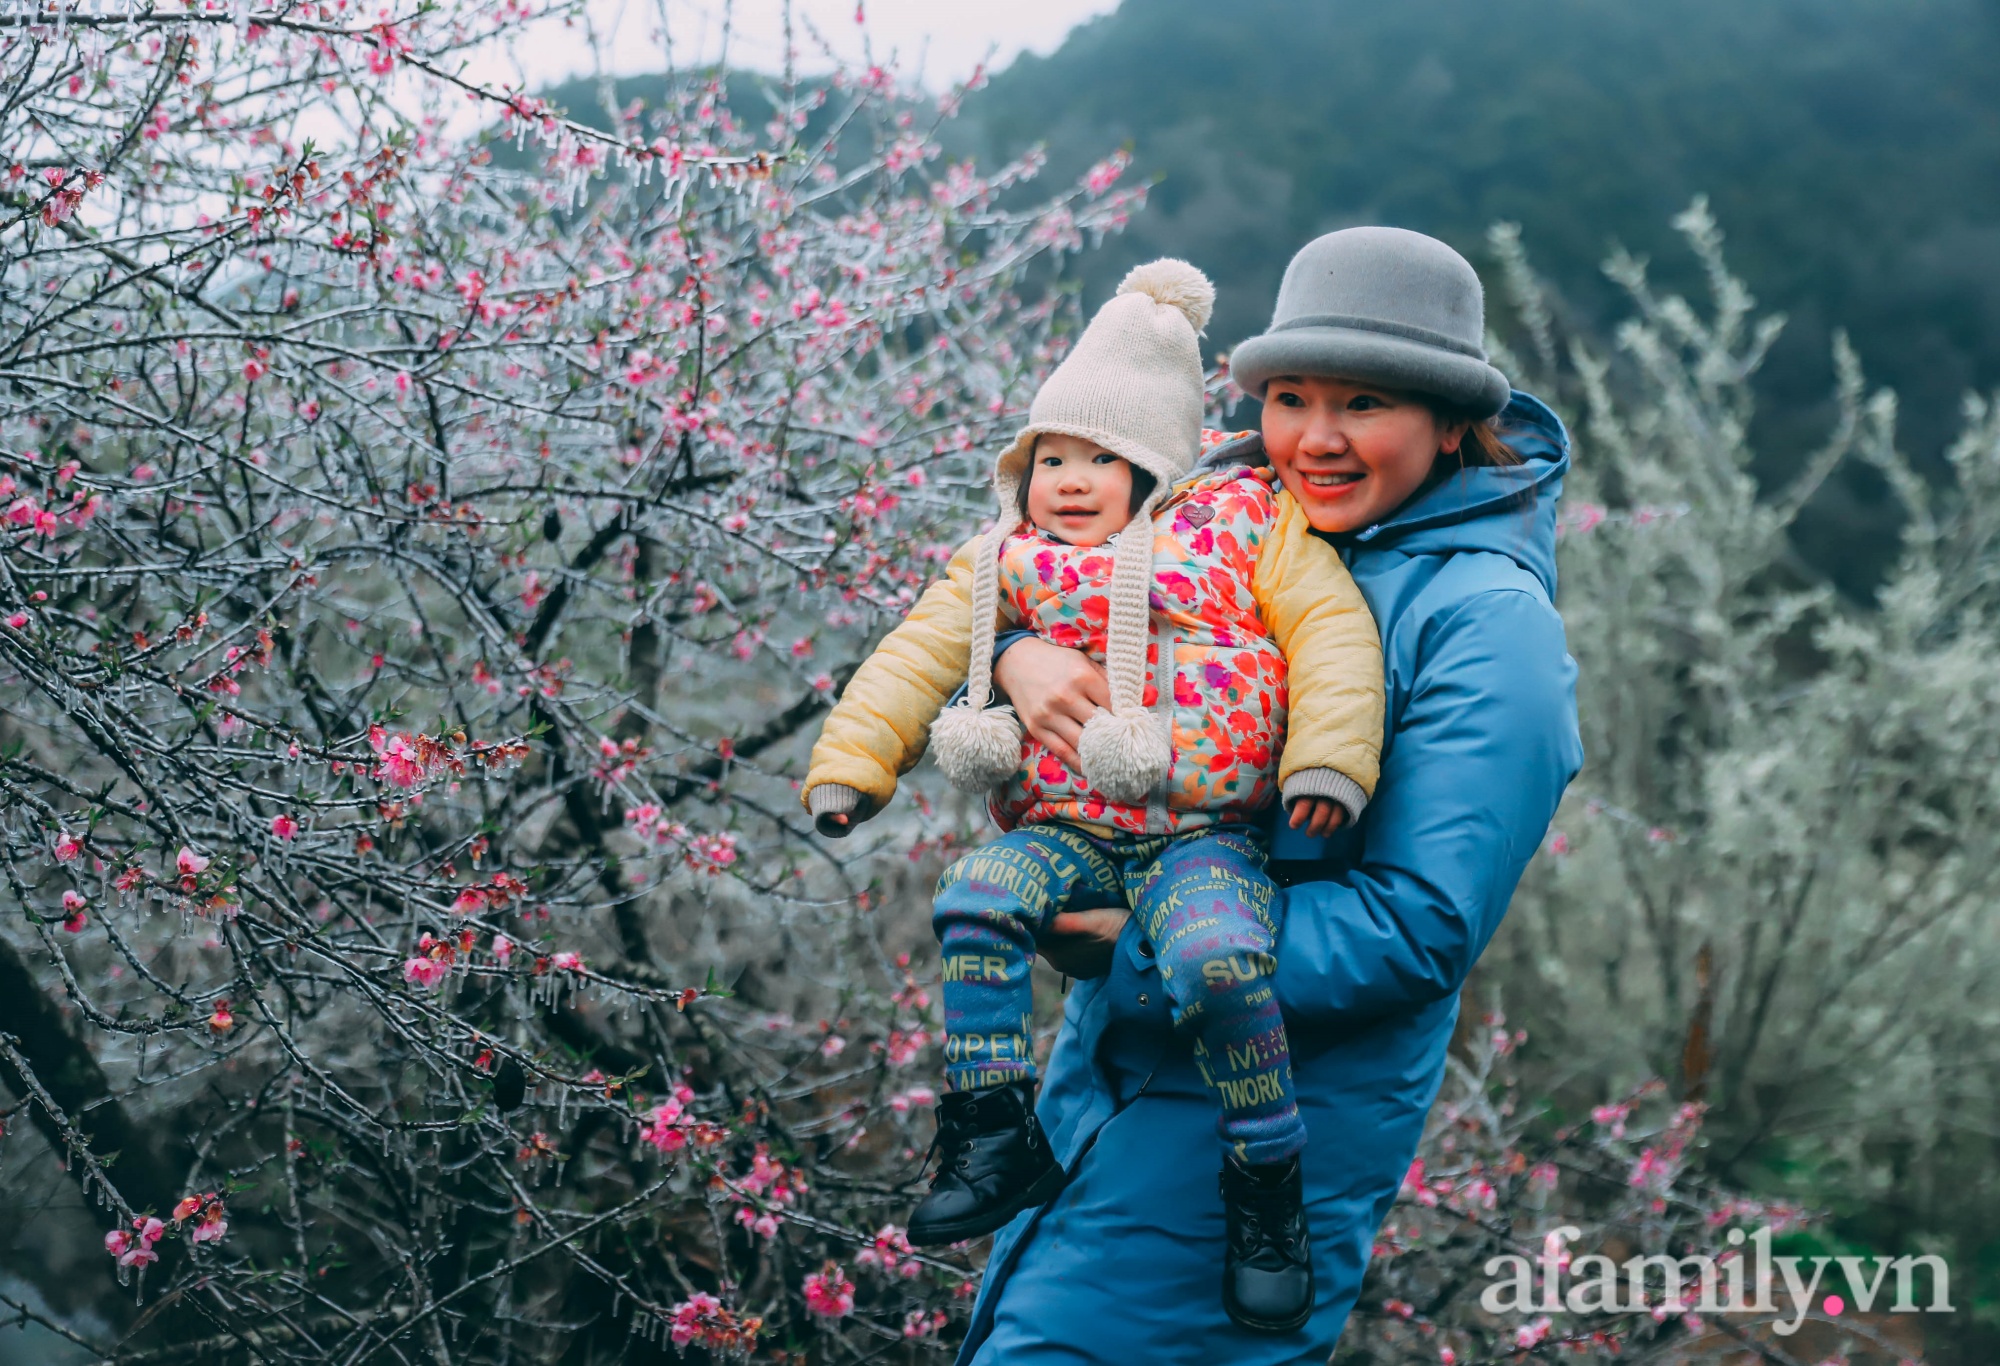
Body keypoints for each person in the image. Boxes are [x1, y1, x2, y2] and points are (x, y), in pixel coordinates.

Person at [953, 227, 1586, 1364]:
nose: (1318, 437)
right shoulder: (1224, 519)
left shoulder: (1488, 626)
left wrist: (1129, 945)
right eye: (1290, 396)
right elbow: (1033, 570)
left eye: (1367, 403)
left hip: (1261, 1146)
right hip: (1105, 1091)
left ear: (1449, 426)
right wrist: (1011, 653)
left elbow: (1416, 927)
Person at [800, 259, 1385, 1331]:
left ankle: (1265, 1176)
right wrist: (851, 764)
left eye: (1102, 459)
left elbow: (1332, 634)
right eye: (1048, 458)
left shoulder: (1242, 528)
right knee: (975, 899)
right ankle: (991, 1126)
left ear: (1157, 469)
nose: (1069, 480)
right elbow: (910, 655)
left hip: (1205, 836)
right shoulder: (1001, 563)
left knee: (1216, 962)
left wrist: (1326, 764)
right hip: (1068, 828)